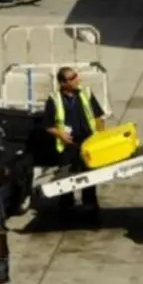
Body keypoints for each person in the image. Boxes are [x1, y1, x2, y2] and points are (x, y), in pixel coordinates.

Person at [42, 66, 106, 212]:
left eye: (76, 76)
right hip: (67, 144)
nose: (78, 79)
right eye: (72, 78)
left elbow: (98, 118)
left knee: (90, 177)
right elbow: (47, 125)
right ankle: (66, 208)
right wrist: (61, 134)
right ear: (63, 83)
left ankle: (90, 206)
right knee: (66, 180)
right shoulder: (54, 99)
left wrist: (102, 138)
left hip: (88, 142)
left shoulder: (86, 93)